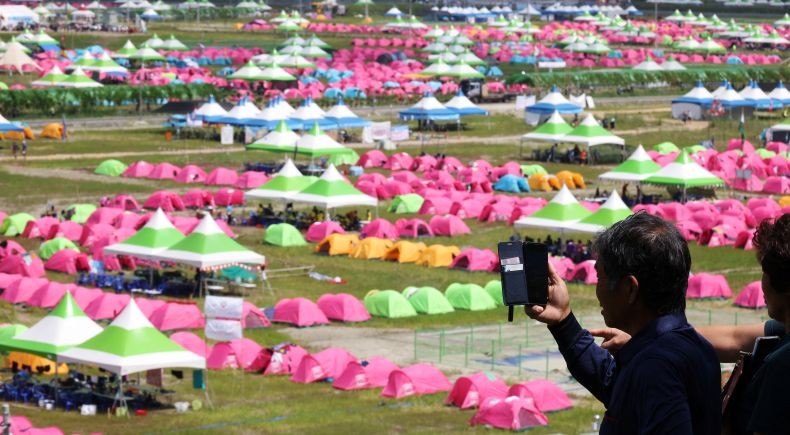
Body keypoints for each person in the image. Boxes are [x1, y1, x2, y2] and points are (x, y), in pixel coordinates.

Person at [525, 212, 720, 434]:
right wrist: (563, 322)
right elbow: (614, 385)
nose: (596, 290)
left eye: (599, 278)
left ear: (629, 288)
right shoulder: (693, 349)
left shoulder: (656, 368)